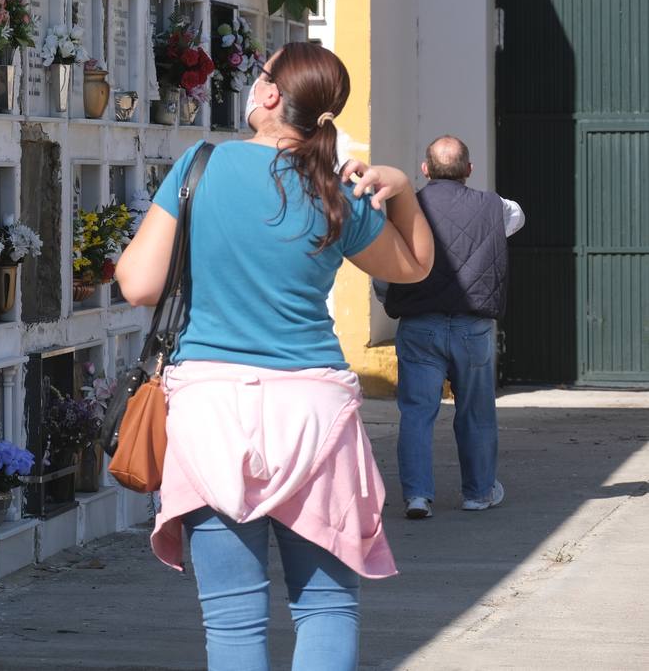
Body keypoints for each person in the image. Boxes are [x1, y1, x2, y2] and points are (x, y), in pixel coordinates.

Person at [116, 42, 434, 671]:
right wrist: (399, 190)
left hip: (211, 410)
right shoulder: (333, 191)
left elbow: (138, 285)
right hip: (314, 412)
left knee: (234, 620)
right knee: (325, 610)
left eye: (259, 73)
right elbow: (415, 265)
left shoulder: (200, 166)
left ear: (268, 95)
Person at [384, 135, 525, 520]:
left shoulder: (403, 208)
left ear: (425, 169)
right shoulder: (496, 207)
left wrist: (390, 299)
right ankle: (478, 493)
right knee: (476, 411)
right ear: (469, 170)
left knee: (416, 413)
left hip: (419, 325)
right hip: (473, 327)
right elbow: (514, 219)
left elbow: (385, 267)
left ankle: (416, 496)